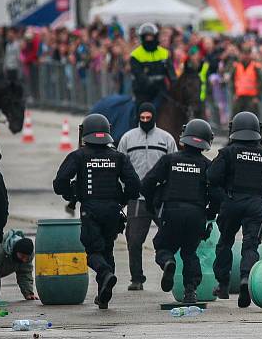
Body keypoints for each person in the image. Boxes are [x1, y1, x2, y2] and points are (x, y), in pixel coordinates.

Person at [53, 114, 140, 309]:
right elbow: (134, 185)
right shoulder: (119, 157)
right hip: (112, 210)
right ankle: (103, 296)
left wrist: (72, 194)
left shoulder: (79, 156)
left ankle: (104, 273)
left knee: (93, 251)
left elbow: (59, 184)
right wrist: (122, 200)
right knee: (107, 249)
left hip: (90, 209)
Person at [208, 111, 262, 308]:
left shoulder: (227, 153)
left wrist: (225, 191)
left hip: (232, 201)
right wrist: (261, 192)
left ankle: (223, 284)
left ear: (233, 130)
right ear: (257, 131)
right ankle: (245, 279)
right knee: (250, 245)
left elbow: (212, 176)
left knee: (225, 242)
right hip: (255, 204)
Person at [140, 119, 221, 303]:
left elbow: (146, 184)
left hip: (172, 211)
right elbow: (217, 195)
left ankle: (168, 262)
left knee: (164, 246)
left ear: (184, 138)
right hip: (196, 214)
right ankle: (190, 291)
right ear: (207, 142)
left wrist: (153, 206)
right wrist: (210, 214)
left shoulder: (169, 160)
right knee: (190, 253)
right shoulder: (207, 165)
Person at [116, 102, 177, 291]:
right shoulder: (127, 138)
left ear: (154, 117)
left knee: (172, 234)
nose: (144, 121)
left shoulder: (166, 139)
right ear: (137, 118)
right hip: (138, 198)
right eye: (141, 118)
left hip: (161, 198)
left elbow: (175, 166)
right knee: (134, 239)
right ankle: (137, 278)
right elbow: (119, 165)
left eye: (148, 118)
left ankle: (171, 267)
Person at [130, 23, 175, 108]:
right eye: (146, 37)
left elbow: (172, 74)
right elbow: (139, 75)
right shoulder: (135, 55)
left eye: (151, 36)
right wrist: (152, 85)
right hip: (143, 93)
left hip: (162, 91)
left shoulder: (164, 53)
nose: (149, 39)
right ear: (142, 38)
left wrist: (175, 86)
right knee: (141, 112)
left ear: (156, 36)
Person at [230, 51, 262, 116]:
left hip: (252, 97)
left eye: (247, 54)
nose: (245, 56)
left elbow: (260, 82)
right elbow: (232, 81)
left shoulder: (255, 66)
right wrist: (233, 93)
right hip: (239, 96)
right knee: (235, 116)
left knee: (253, 116)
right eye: (244, 54)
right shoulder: (236, 66)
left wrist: (257, 96)